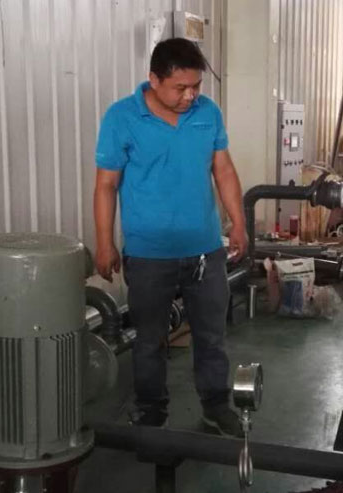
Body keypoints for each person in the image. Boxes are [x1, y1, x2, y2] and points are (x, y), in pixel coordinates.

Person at [94, 38, 247, 436]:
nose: (190, 95)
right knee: (150, 341)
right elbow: (106, 185)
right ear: (154, 79)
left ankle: (216, 406)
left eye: (196, 86)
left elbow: (223, 170)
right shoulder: (122, 117)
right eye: (180, 87)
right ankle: (151, 411)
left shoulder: (207, 113)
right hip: (148, 254)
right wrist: (105, 243)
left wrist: (239, 222)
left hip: (205, 250)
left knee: (211, 336)